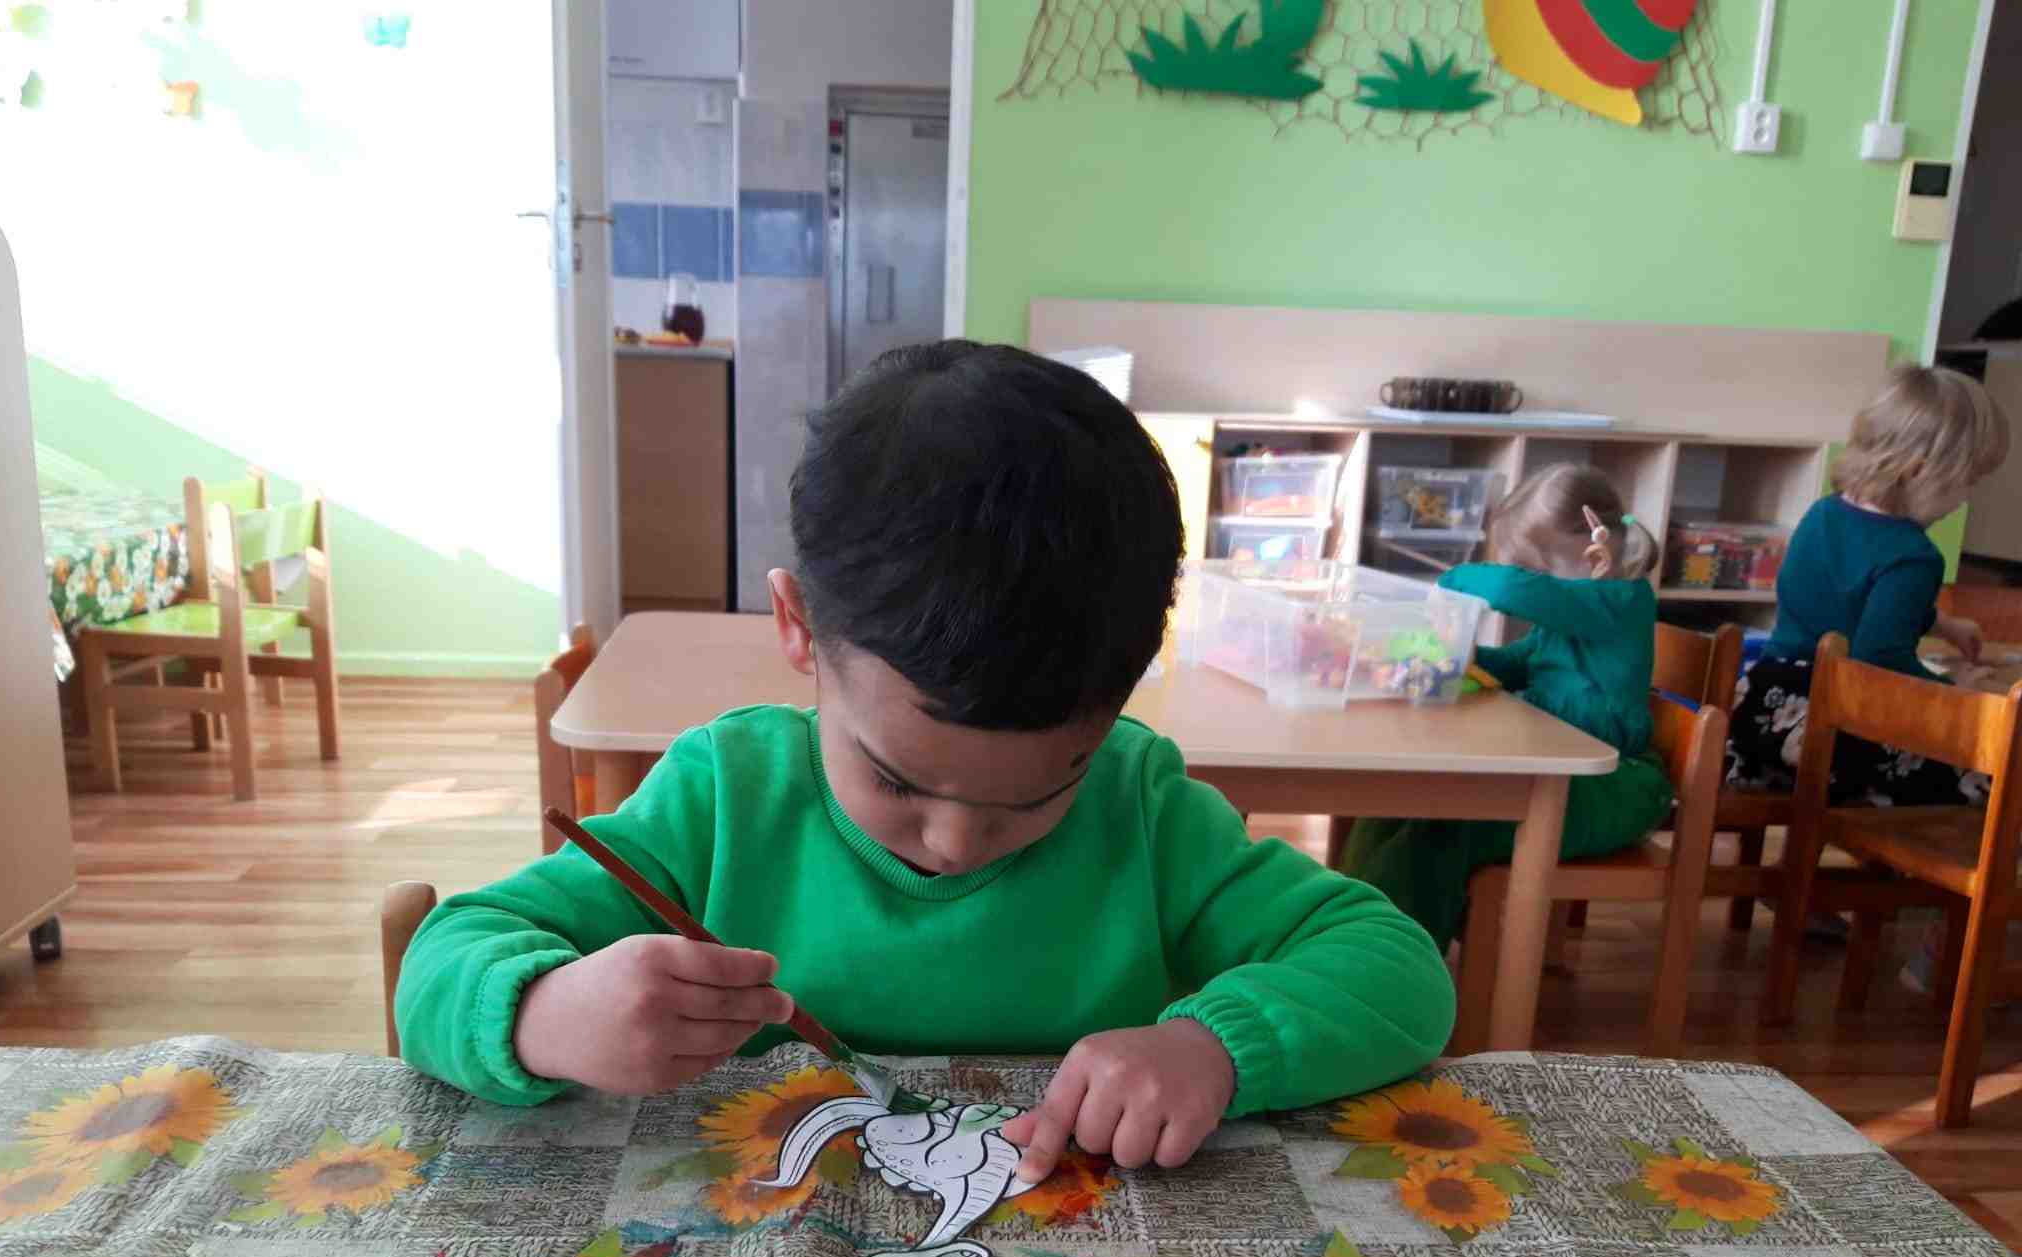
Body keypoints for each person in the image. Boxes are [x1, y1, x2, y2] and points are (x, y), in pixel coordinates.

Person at [396, 340, 1452, 1185]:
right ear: (798, 627)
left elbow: (1396, 969)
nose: (952, 843)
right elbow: (439, 964)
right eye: (897, 781)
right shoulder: (723, 799)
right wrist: (543, 1014)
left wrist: (1216, 1047)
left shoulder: (1141, 808)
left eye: (1040, 792)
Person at [1341, 464, 1672, 952]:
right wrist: (1463, 658)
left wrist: (1453, 579)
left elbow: (1514, 591)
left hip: (1615, 785)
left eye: (1537, 569)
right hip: (1556, 772)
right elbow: (1521, 662)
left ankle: (1393, 957)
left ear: (1593, 553)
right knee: (1397, 801)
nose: (1532, 582)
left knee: (1447, 827)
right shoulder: (1572, 617)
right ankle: (1344, 933)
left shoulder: (1620, 602)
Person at [1725, 365, 2012, 807]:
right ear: (1920, 472)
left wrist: (1943, 624)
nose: (1966, 499)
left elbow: (1845, 602)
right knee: (1992, 773)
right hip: (1832, 733)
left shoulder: (1822, 514)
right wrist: (1956, 695)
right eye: (1968, 481)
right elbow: (1880, 661)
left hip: (1762, 711)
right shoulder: (1913, 556)